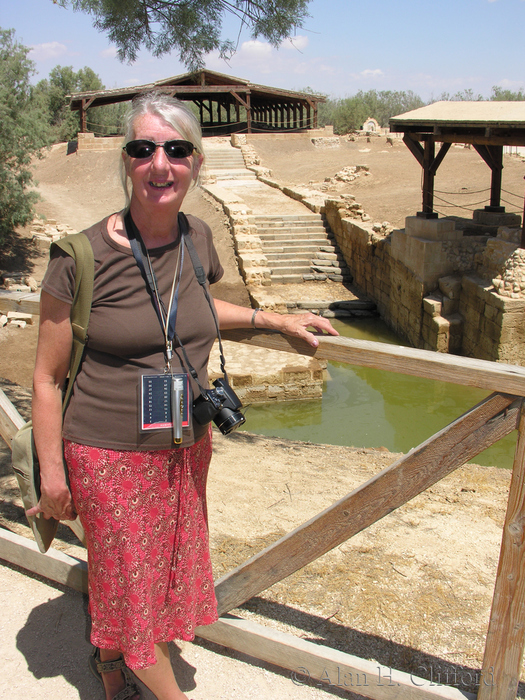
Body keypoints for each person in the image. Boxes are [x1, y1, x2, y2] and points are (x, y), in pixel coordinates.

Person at [28, 91, 339, 700]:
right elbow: (43, 377)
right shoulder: (80, 256)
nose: (160, 164)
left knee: (143, 578)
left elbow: (195, 308)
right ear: (126, 161)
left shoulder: (197, 236)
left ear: (195, 163)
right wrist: (51, 474)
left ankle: (110, 659)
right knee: (135, 583)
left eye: (175, 150)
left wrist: (273, 318)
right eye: (144, 149)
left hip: (182, 442)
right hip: (107, 453)